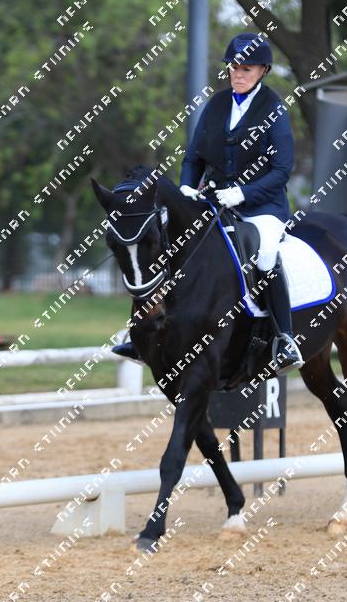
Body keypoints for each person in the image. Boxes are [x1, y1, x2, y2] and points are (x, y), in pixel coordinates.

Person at [114, 32, 304, 374]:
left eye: (246, 69)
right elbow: (193, 157)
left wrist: (243, 193)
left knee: (265, 255)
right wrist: (187, 187)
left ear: (263, 70)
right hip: (214, 202)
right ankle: (144, 335)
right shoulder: (217, 105)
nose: (238, 74)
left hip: (261, 208)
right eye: (233, 68)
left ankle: (284, 338)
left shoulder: (273, 108)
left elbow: (281, 170)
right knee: (172, 247)